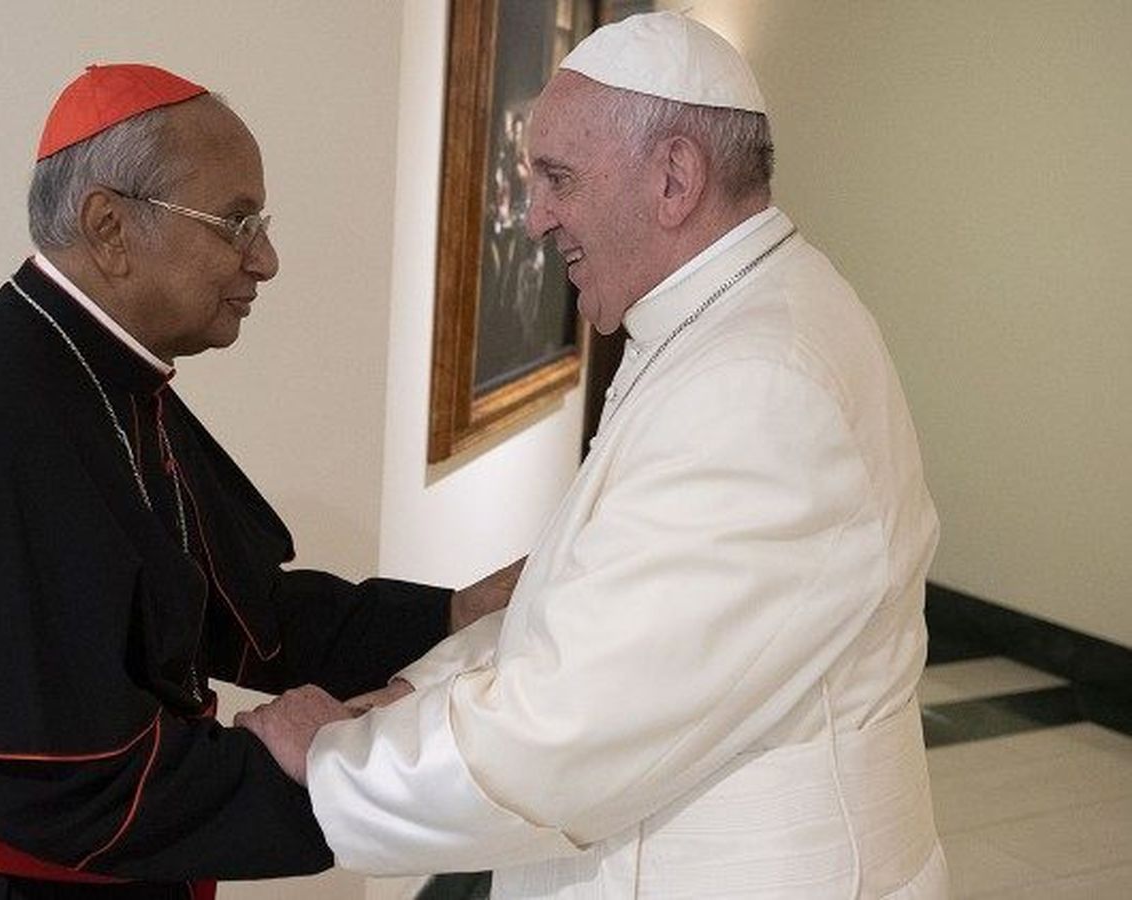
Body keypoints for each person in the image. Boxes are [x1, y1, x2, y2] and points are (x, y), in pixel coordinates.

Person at [0, 63, 518, 900]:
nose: (264, 258)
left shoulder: (97, 373)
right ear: (110, 227)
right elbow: (61, 776)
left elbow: (244, 614)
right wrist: (314, 767)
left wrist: (453, 616)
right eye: (235, 222)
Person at [239, 12, 948, 898]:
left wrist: (341, 756)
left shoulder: (759, 384)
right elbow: (591, 611)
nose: (535, 219)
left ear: (675, 178)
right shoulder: (729, 322)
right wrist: (410, 697)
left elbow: (577, 724)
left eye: (558, 179)